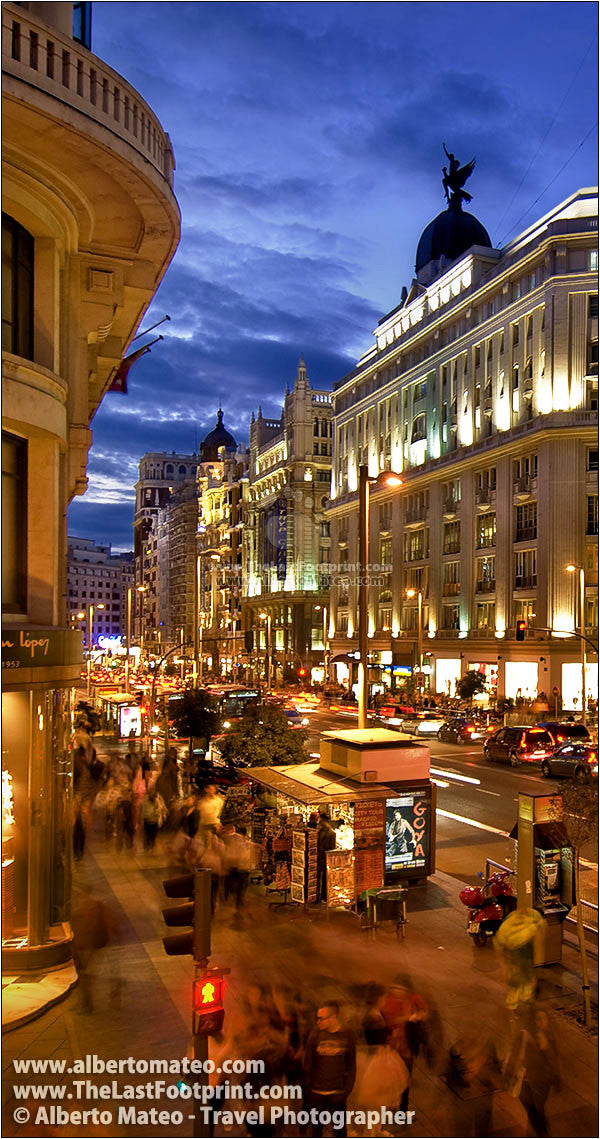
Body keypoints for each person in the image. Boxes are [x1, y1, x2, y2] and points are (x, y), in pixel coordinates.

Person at [304, 1001, 356, 1136]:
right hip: (317, 1093)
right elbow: (307, 1063)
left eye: (321, 1018)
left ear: (333, 1017)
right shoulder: (315, 1035)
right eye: (317, 1018)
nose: (317, 1021)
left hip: (337, 1093)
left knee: (339, 1132)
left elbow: (351, 1065)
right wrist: (309, 1089)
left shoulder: (346, 1035)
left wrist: (346, 1091)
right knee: (316, 1131)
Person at [316, 814, 336, 903]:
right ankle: (318, 895)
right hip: (320, 857)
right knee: (319, 877)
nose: (319, 822)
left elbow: (332, 847)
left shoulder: (331, 833)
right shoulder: (321, 831)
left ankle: (324, 896)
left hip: (325, 857)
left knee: (325, 878)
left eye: (321, 821)